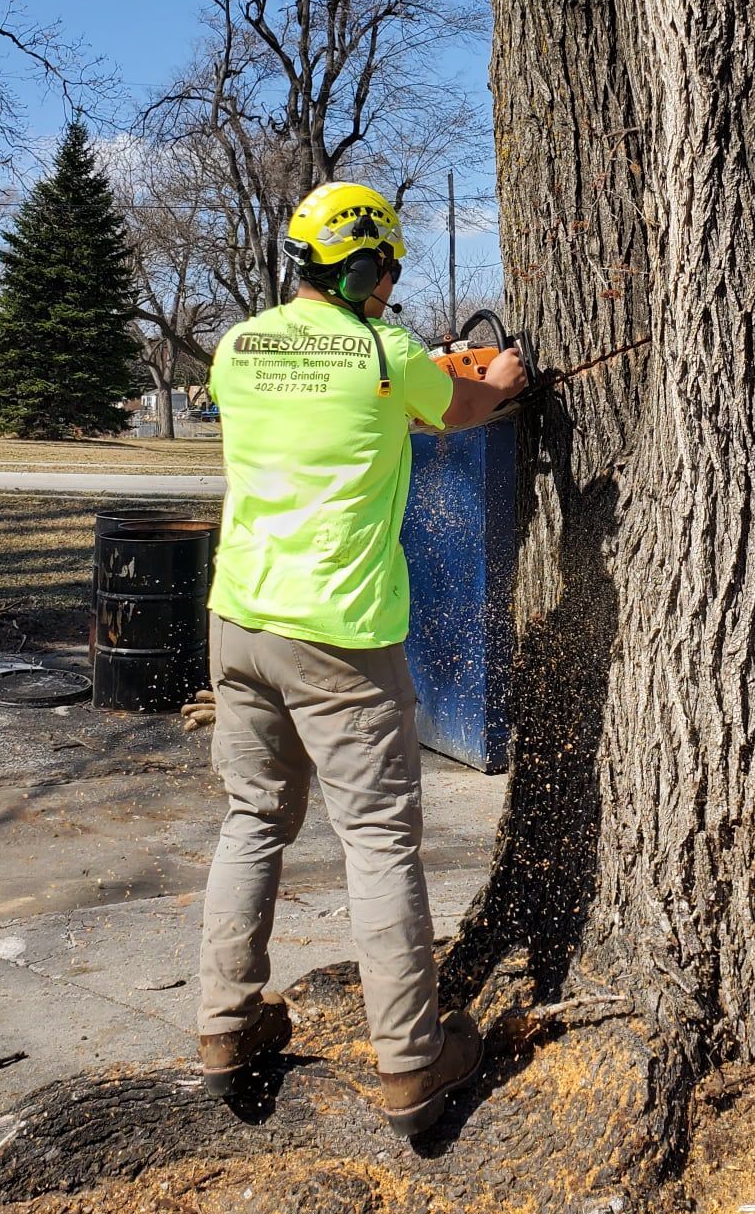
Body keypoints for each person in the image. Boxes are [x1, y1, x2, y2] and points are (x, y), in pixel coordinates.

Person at [196, 181, 526, 1132]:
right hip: (340, 633)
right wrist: (497, 376)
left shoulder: (238, 346)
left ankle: (225, 1026)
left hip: (240, 620)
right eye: (385, 271)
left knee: (254, 817)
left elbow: (317, 406)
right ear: (362, 265)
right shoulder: (388, 355)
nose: (389, 287)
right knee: (378, 839)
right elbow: (468, 408)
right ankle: (415, 1062)